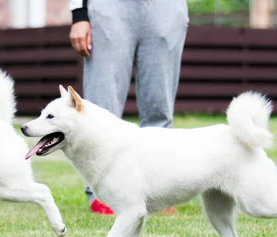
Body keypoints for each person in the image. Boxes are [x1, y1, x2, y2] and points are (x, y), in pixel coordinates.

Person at [69, 0, 189, 215]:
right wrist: (79, 14)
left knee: (159, 107)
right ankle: (101, 193)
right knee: (101, 106)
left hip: (165, 8)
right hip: (109, 7)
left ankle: (159, 190)